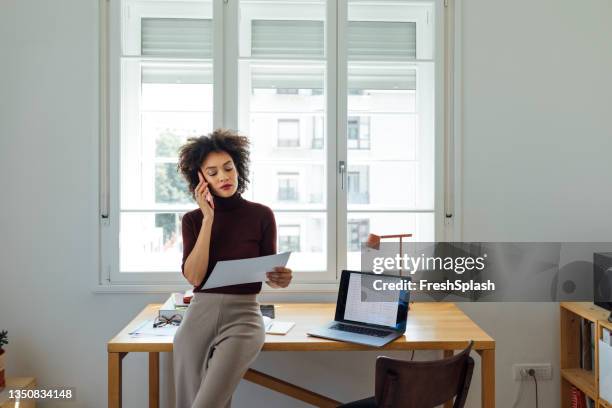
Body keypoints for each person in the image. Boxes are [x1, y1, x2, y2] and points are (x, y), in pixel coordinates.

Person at [173, 129, 292, 408]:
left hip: (245, 316)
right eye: (212, 173)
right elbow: (194, 276)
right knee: (188, 400)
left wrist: (282, 278)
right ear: (200, 180)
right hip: (199, 313)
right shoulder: (193, 220)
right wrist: (208, 218)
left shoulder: (261, 215)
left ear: (239, 168)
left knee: (206, 403)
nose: (224, 177)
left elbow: (269, 272)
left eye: (228, 168)